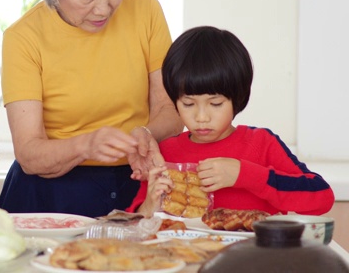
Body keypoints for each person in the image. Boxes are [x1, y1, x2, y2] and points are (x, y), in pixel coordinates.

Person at [0, 0, 183, 217]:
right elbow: (30, 153)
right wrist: (86, 145)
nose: (104, 8)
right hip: (50, 192)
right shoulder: (23, 37)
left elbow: (171, 111)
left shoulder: (146, 10)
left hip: (135, 181)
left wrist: (145, 132)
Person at [128, 26, 335, 216]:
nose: (201, 117)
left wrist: (243, 174)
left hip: (250, 256)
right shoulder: (166, 153)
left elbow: (321, 197)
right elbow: (134, 223)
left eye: (216, 104)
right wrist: (149, 205)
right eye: (188, 104)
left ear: (237, 98)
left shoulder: (261, 144)